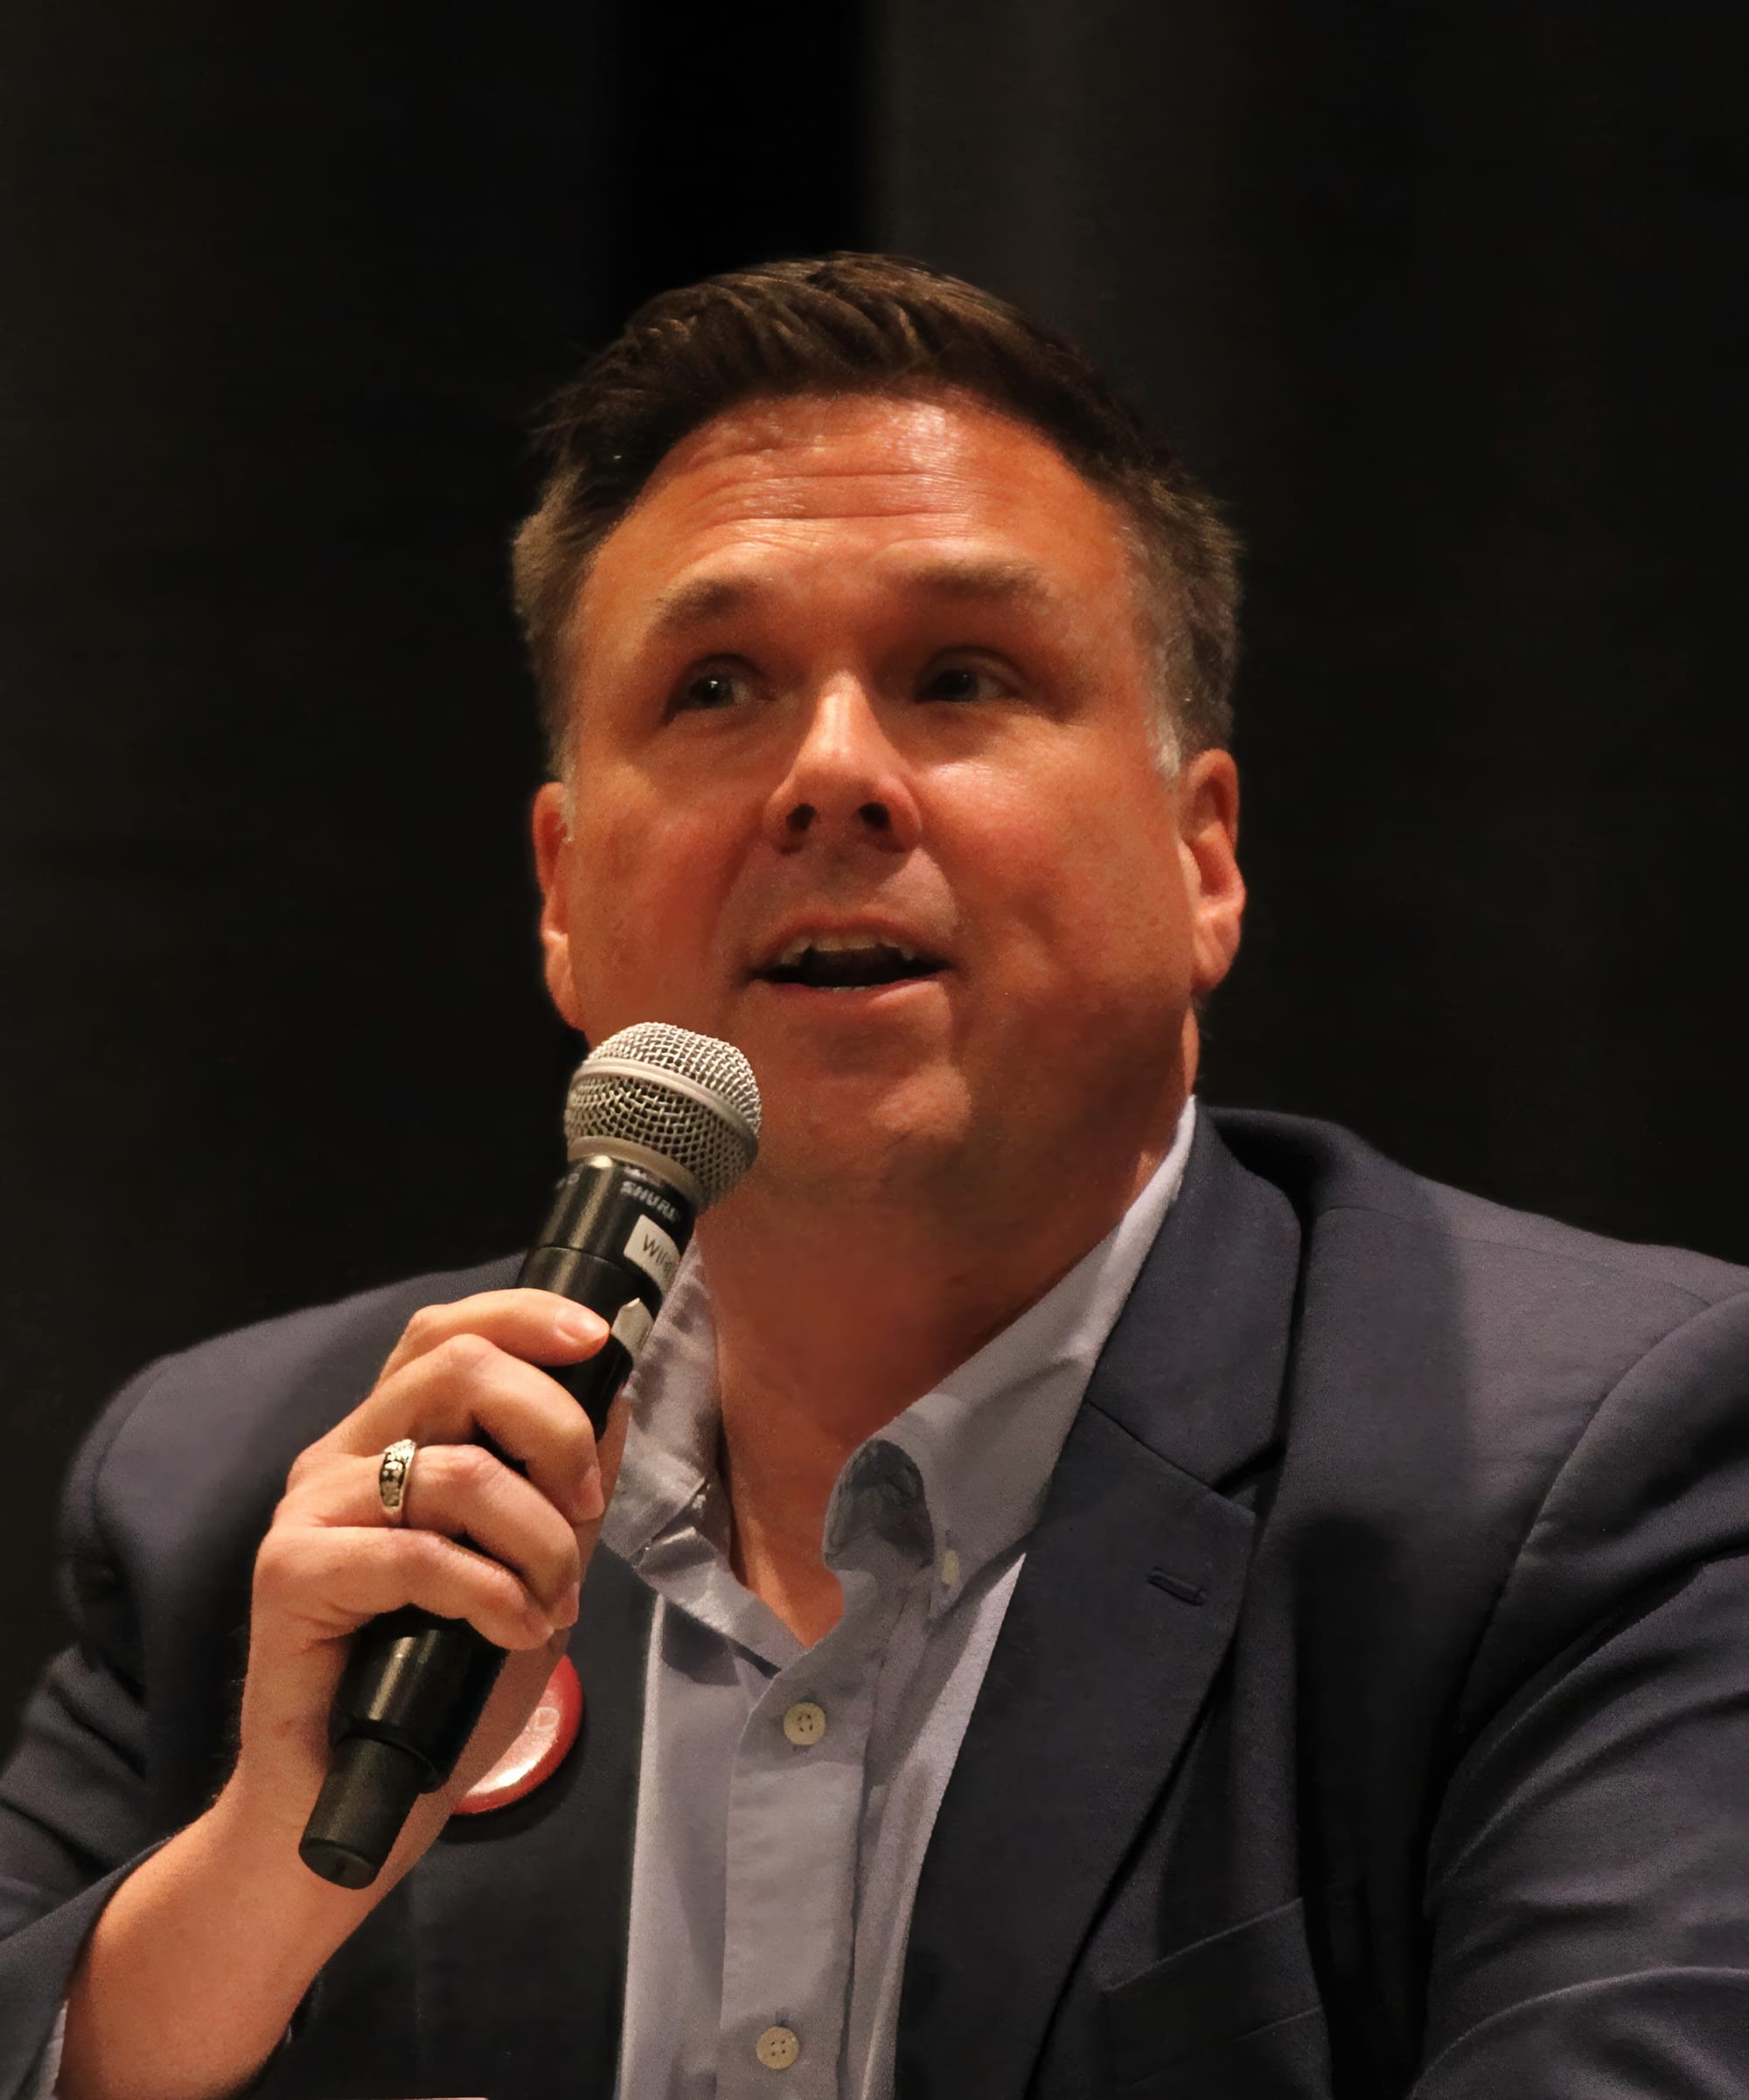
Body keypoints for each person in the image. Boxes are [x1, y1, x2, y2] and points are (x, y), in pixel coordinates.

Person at [3, 253, 1748, 2100]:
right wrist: (264, 1871)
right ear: (562, 895)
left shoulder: (1580, 1483)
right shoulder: (246, 1497)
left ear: (1203, 860)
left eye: (961, 676)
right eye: (716, 686)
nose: (831, 774)